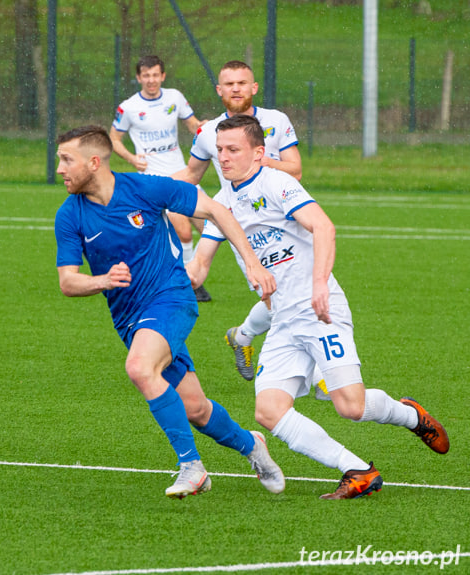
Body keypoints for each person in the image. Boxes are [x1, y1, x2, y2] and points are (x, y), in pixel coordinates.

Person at [186, 115, 449, 499]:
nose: (223, 158)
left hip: (320, 312)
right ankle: (358, 470)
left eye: (233, 150)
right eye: (219, 150)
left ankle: (410, 415)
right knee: (269, 411)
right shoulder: (222, 203)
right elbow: (200, 264)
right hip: (283, 322)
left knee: (351, 406)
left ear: (258, 153)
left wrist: (319, 285)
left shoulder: (278, 183)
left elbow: (323, 227)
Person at [54, 125, 284, 499]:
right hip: (129, 319)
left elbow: (215, 209)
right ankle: (251, 445)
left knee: (139, 368)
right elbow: (68, 281)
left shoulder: (145, 189)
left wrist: (253, 263)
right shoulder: (70, 215)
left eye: (67, 160)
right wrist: (103, 280)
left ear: (94, 162)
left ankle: (192, 468)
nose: (60, 168)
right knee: (195, 408)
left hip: (172, 297)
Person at [174, 60, 301, 382]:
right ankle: (318, 378)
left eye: (242, 83)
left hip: (286, 214)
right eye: (229, 84)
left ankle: (242, 336)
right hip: (236, 218)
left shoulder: (276, 121)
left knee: (294, 295)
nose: (235, 89)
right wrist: (141, 189)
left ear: (254, 87)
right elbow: (192, 174)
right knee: (277, 296)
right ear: (219, 90)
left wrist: (257, 159)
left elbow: (295, 169)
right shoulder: (207, 133)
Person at [110, 55, 211, 303]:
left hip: (184, 173)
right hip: (155, 180)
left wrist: (203, 127)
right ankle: (188, 284)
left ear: (163, 76)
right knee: (184, 232)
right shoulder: (129, 107)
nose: (151, 80)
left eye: (155, 75)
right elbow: (113, 139)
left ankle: (186, 273)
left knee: (213, 227)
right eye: (146, 75)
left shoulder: (174, 97)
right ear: (138, 78)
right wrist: (132, 159)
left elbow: (192, 125)